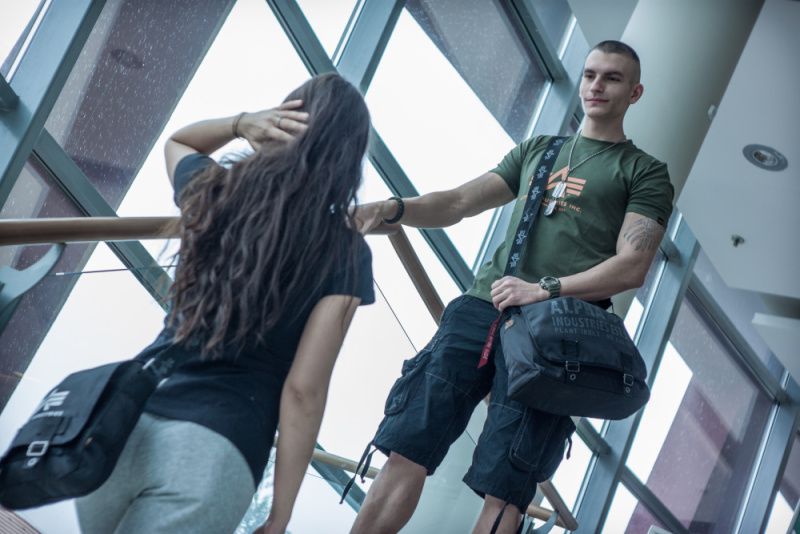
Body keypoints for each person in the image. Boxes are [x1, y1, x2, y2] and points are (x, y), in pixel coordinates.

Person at [349, 41, 674, 534]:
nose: (596, 85)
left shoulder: (643, 171)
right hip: (482, 308)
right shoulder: (539, 150)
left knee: (507, 487)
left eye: (611, 77)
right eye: (590, 74)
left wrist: (543, 289)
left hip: (559, 334)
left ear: (635, 92)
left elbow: (632, 266)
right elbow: (458, 202)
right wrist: (393, 209)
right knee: (406, 445)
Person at [75, 73, 375, 534]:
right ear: (348, 159)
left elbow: (179, 142)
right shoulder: (345, 252)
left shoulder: (217, 190)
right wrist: (281, 514)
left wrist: (240, 123)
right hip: (213, 450)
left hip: (123, 422)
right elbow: (303, 391)